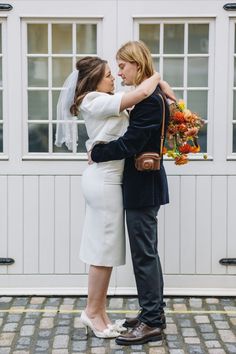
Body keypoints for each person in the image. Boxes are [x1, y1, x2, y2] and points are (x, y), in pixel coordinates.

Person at [55, 55, 174, 339]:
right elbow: (142, 92)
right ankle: (93, 312)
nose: (114, 77)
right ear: (95, 79)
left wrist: (162, 86)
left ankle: (101, 312)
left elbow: (141, 97)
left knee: (106, 249)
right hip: (104, 181)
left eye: (116, 70)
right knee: (102, 248)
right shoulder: (93, 100)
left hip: (111, 180)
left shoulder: (106, 97)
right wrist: (157, 76)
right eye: (109, 73)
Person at [90, 41, 174, 345]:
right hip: (143, 185)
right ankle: (154, 312)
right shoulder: (147, 95)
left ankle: (152, 322)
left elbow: (132, 143)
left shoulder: (150, 100)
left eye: (122, 65)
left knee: (144, 255)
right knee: (146, 253)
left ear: (137, 64)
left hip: (144, 186)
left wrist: (97, 152)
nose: (119, 72)